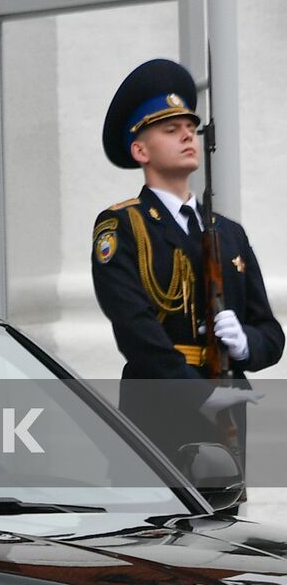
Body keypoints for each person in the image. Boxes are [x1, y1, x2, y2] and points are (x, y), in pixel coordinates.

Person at [91, 58, 282, 465]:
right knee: (159, 526)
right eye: (170, 129)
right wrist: (201, 395)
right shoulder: (123, 225)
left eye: (191, 129)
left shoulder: (228, 233)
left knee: (222, 525)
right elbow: (135, 328)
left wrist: (246, 343)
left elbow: (271, 333)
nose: (187, 137)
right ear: (139, 149)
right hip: (158, 408)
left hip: (228, 405)